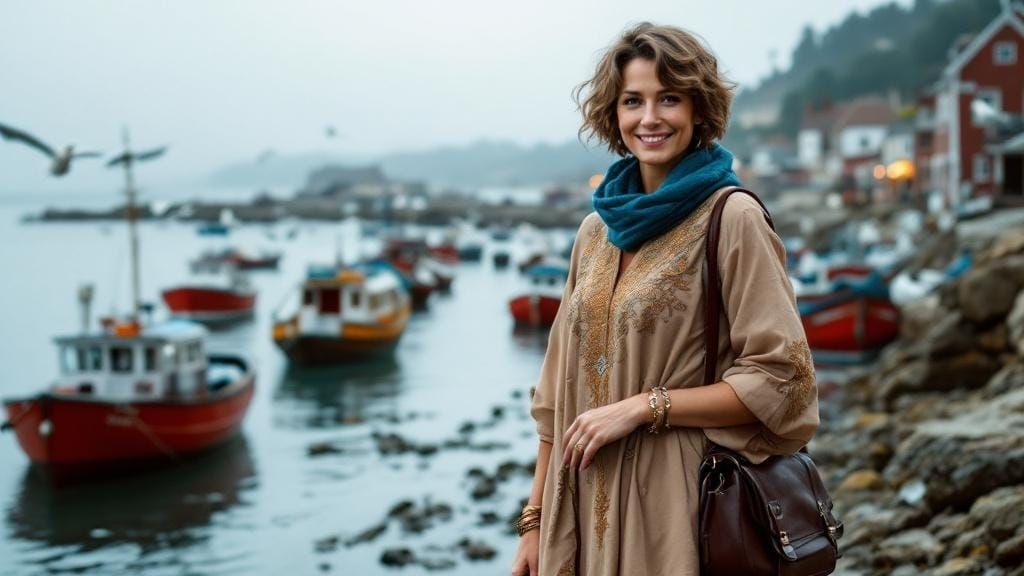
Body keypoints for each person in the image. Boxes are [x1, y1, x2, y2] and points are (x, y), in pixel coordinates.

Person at [510, 23, 819, 576]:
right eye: (633, 101)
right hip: (576, 504)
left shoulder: (733, 217)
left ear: (699, 110)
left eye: (668, 98)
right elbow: (555, 400)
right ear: (614, 113)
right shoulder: (594, 233)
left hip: (677, 507)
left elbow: (782, 378)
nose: (649, 118)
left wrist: (644, 407)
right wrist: (534, 525)